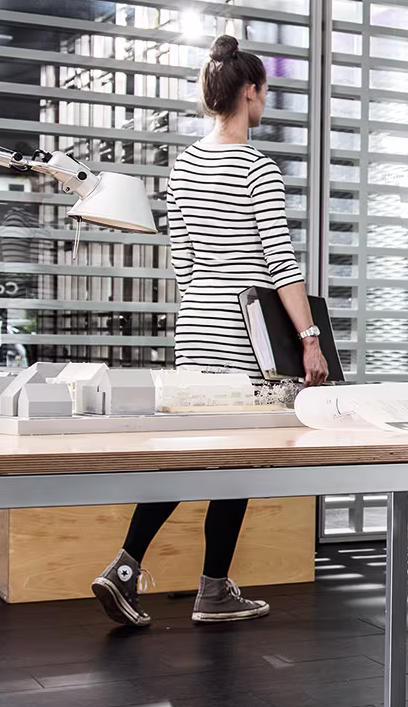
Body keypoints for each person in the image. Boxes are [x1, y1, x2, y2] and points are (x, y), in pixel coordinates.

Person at [89, 34, 330, 629]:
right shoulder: (256, 167)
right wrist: (310, 340)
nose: (265, 99)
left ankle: (126, 569)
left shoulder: (184, 167)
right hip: (246, 340)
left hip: (196, 335)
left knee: (187, 459)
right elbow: (279, 262)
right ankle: (213, 591)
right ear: (249, 92)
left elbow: (187, 263)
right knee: (239, 464)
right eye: (264, 90)